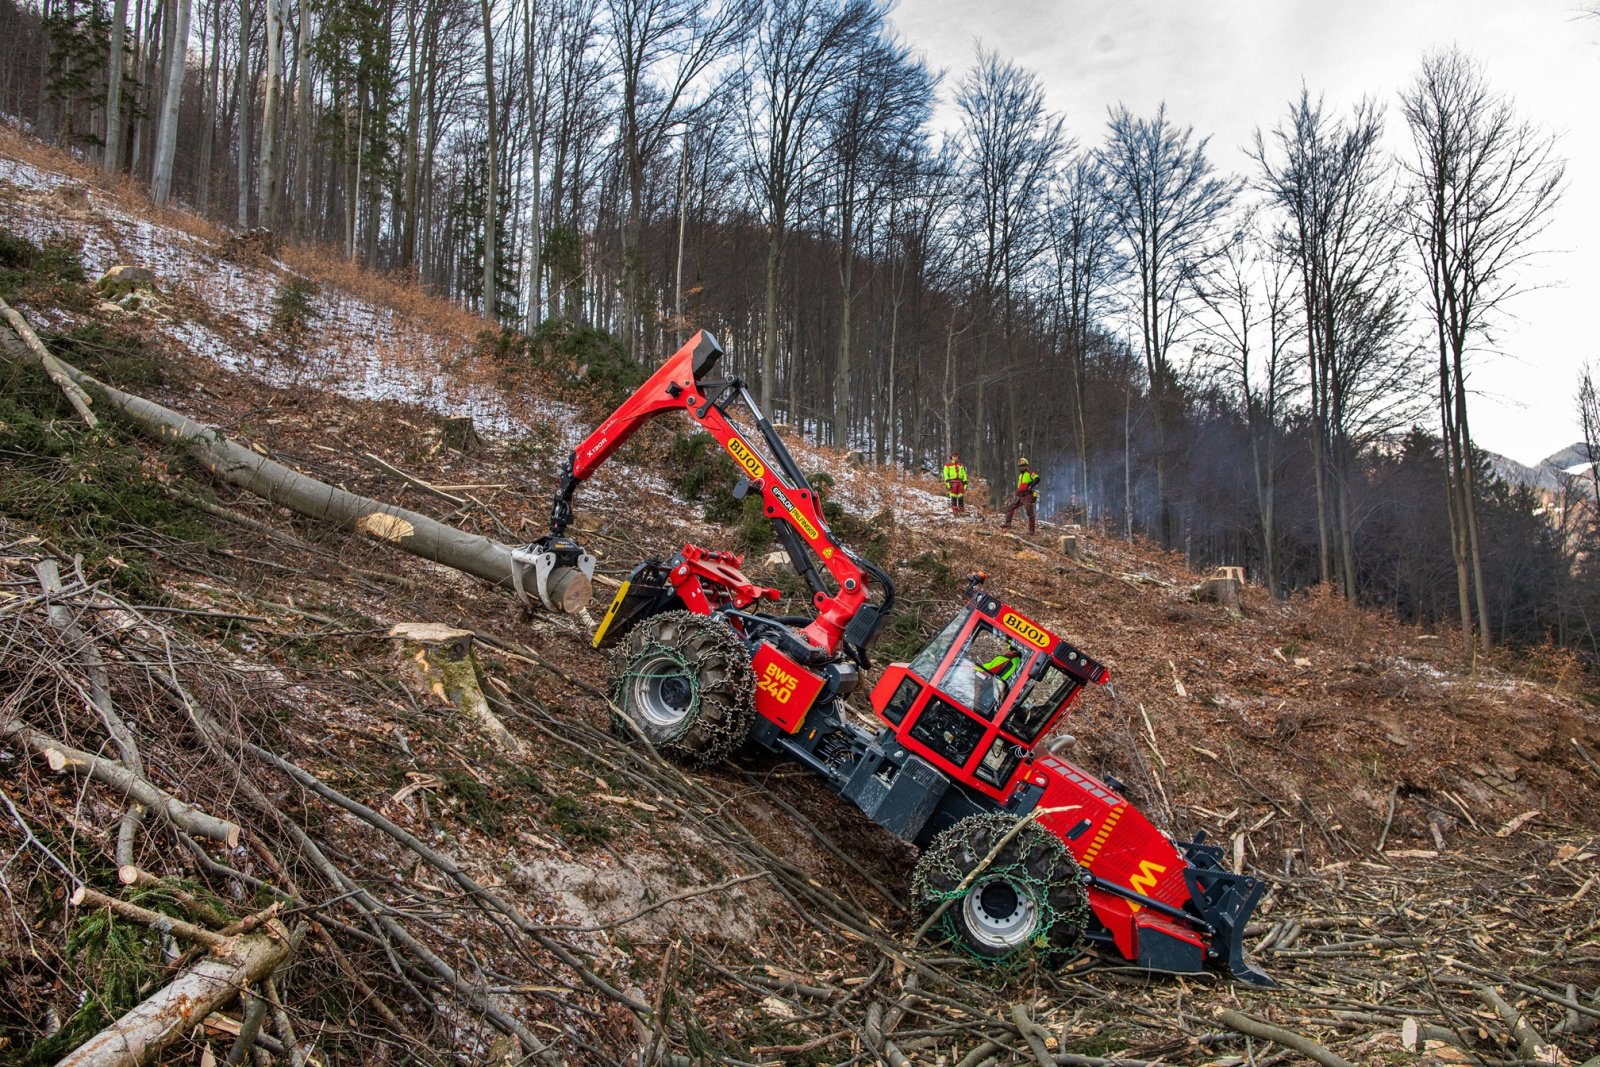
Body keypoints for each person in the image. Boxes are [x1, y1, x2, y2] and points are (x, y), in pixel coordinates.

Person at [1002, 457, 1040, 533]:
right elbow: (1020, 486)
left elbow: (1037, 478)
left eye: (1023, 465)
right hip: (1020, 496)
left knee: (1030, 513)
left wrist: (1030, 486)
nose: (1021, 467)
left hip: (1028, 496)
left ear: (1026, 466)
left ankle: (1031, 530)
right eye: (1020, 466)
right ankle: (1008, 523)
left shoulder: (1029, 473)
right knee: (1011, 507)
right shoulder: (1020, 476)